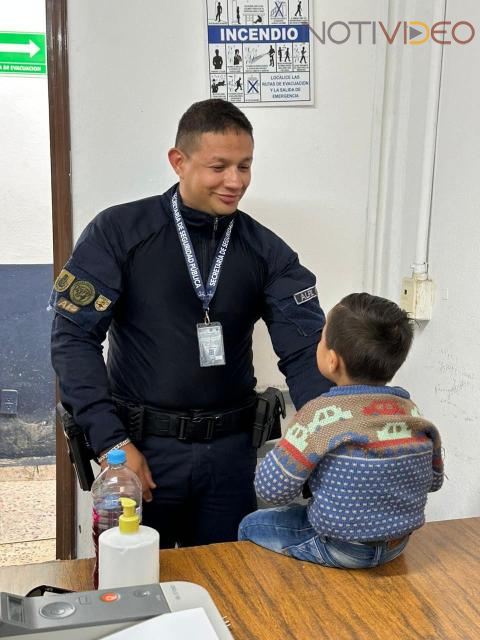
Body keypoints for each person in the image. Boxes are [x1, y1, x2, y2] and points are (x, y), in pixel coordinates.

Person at [50, 99, 330, 548]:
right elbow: (73, 339)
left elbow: (304, 353)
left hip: (232, 458)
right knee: (138, 590)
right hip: (141, 453)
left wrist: (333, 436)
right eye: (219, 166)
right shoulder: (120, 232)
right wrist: (112, 446)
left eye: (245, 166)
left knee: (230, 592)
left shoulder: (266, 251)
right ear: (178, 161)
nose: (235, 181)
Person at [239, 293, 444, 568]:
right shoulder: (409, 410)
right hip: (397, 544)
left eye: (322, 337)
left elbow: (271, 489)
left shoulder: (319, 415)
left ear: (332, 360)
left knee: (251, 524)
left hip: (341, 547)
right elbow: (434, 481)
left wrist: (294, 440)